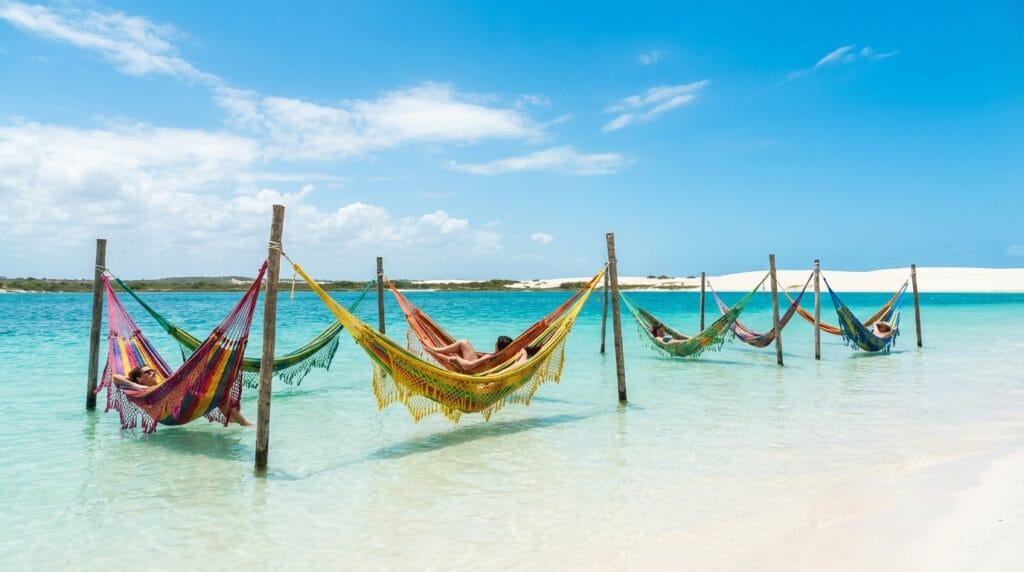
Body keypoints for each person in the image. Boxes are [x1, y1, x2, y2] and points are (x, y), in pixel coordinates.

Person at [112, 364, 252, 427]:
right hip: (174, 413)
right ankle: (244, 424)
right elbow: (116, 377)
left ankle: (238, 422)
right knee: (218, 393)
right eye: (147, 372)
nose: (152, 373)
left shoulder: (161, 384)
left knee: (220, 395)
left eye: (153, 371)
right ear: (139, 378)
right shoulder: (140, 390)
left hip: (184, 405)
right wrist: (136, 386)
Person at [430, 335, 534, 370]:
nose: (494, 343)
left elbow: (468, 367)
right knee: (463, 343)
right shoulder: (507, 356)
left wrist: (456, 359)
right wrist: (524, 351)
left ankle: (437, 350)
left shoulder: (490, 357)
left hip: (474, 370)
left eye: (496, 343)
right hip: (479, 368)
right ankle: (437, 350)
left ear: (499, 347)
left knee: (463, 342)